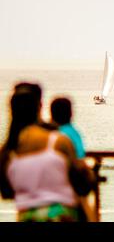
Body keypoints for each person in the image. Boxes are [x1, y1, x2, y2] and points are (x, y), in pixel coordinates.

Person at [0, 83, 96, 222]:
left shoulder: (8, 151)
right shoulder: (57, 140)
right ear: (39, 107)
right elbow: (83, 183)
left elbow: (7, 192)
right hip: (61, 215)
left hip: (27, 216)